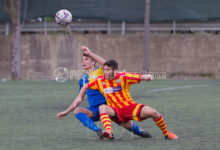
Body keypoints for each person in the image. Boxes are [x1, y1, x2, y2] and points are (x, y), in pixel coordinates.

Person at [56, 46, 152, 139]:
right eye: (83, 59)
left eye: (86, 59)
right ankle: (100, 132)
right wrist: (66, 112)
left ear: (93, 62)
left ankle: (140, 131)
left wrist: (90, 53)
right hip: (95, 110)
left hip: (110, 107)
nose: (83, 61)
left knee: (127, 125)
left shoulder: (101, 71)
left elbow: (106, 63)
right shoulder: (83, 80)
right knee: (77, 111)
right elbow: (78, 99)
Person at [79, 59, 178, 140]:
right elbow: (85, 86)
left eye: (108, 70)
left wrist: (147, 77)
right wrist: (80, 97)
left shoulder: (123, 77)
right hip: (115, 111)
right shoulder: (99, 80)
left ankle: (166, 134)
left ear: (115, 70)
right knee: (102, 107)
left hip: (130, 108)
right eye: (104, 69)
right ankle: (109, 132)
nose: (105, 72)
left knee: (154, 113)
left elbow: (138, 76)